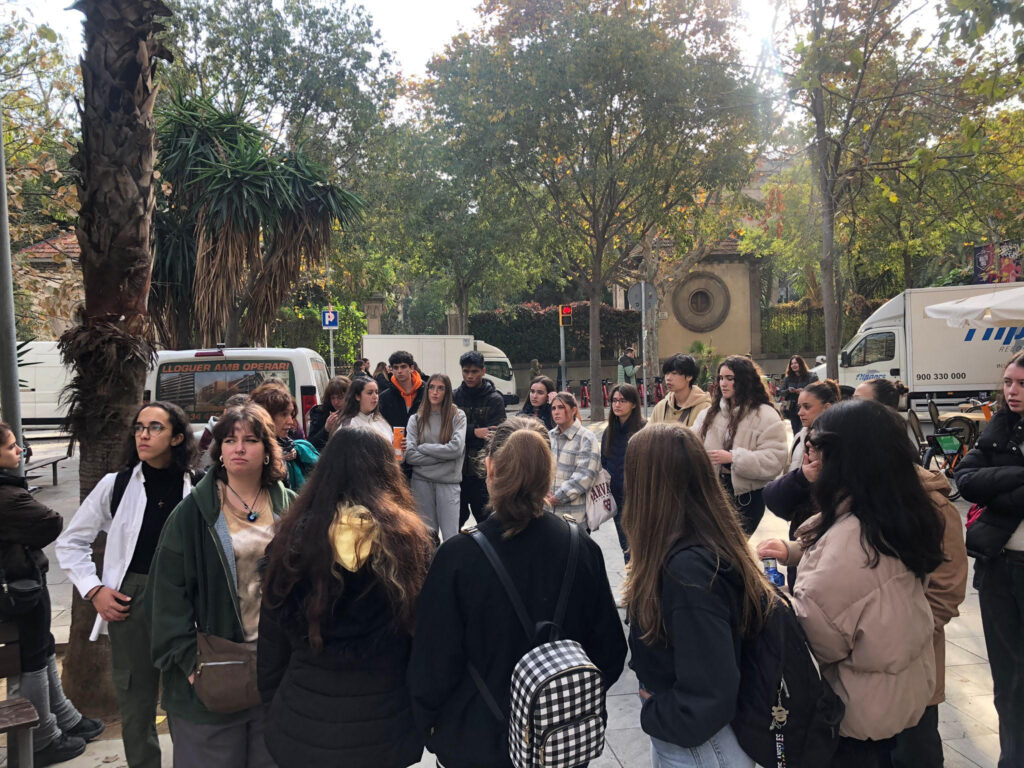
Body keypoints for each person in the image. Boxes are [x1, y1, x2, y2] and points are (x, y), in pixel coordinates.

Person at [408, 417, 627, 768]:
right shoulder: (581, 548)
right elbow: (610, 652)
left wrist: (436, 731)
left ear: (490, 469)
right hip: (557, 745)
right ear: (548, 474)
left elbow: (430, 666)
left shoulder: (457, 557)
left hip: (476, 742)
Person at [757, 400, 944, 767]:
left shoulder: (851, 544)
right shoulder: (898, 512)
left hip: (852, 715)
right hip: (890, 698)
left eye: (816, 449)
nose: (810, 460)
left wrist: (774, 599)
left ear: (843, 458)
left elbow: (815, 640)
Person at [258, 429, 433, 768]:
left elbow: (271, 650)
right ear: (388, 474)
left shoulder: (291, 543)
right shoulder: (411, 544)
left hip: (303, 719)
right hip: (385, 723)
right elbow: (425, 646)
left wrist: (276, 708)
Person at [149, 403, 295, 768]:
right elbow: (166, 597)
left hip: (275, 672)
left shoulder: (292, 509)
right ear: (219, 451)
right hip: (212, 676)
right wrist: (190, 664)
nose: (239, 448)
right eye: (230, 440)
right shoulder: (191, 515)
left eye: (250, 440)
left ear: (268, 450)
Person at [623, 423, 776, 768]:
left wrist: (656, 712)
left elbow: (711, 692)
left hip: (700, 747)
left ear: (648, 486)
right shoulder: (699, 543)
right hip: (696, 741)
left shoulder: (688, 571)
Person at [56, 402, 199, 768]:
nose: (143, 435)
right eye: (139, 427)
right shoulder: (116, 485)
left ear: (177, 438)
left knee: (187, 696)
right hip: (130, 599)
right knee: (136, 699)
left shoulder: (199, 486)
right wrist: (94, 590)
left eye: (155, 427)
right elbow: (71, 542)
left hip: (185, 600)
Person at [1, 423, 103, 766]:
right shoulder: (8, 496)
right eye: (12, 446)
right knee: (34, 657)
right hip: (18, 588)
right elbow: (50, 522)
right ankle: (43, 738)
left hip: (22, 583)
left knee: (43, 648)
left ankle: (62, 717)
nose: (20, 451)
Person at [955, 351, 1024, 768]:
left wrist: (998, 489)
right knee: (1009, 678)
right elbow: (965, 479)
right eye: (1009, 382)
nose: (1012, 391)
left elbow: (984, 485)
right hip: (999, 565)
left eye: (1022, 384)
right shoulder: (1000, 426)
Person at [694, 356, 787, 536]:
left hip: (747, 498)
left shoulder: (766, 415)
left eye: (730, 378)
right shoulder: (709, 414)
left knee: (735, 548)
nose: (723, 383)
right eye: (721, 378)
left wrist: (734, 458)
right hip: (713, 493)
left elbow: (775, 460)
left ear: (744, 380)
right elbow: (691, 441)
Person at [405, 374, 467, 542]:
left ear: (447, 392)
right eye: (431, 387)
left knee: (451, 538)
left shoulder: (457, 415)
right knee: (426, 538)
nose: (435, 392)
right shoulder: (416, 419)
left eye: (440, 388)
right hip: (421, 483)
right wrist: (444, 457)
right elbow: (410, 455)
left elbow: (455, 449)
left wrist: (424, 448)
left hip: (448, 483)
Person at [453, 350, 507, 526]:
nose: (470, 376)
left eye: (474, 371)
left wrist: (463, 434)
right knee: (453, 525)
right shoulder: (454, 397)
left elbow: (495, 436)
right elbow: (448, 432)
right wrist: (474, 432)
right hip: (456, 472)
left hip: (483, 475)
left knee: (488, 525)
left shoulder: (495, 399)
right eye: (466, 371)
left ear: (483, 371)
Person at [601, 383, 645, 563]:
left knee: (641, 547)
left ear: (633, 404)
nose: (617, 404)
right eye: (614, 400)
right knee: (626, 548)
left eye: (623, 400)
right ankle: (631, 578)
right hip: (617, 499)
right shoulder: (608, 432)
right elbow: (604, 463)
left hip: (639, 500)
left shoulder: (644, 430)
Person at [546, 392, 601, 524]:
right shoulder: (549, 436)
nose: (556, 412)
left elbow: (585, 475)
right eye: (553, 408)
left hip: (573, 515)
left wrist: (559, 496)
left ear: (574, 410)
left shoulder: (586, 438)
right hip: (547, 512)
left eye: (561, 407)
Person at [788, 379, 841, 471]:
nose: (800, 413)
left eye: (807, 407)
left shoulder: (840, 442)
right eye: (799, 407)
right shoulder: (799, 438)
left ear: (826, 408)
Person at [648, 353, 712, 427]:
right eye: (666, 373)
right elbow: (648, 433)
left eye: (674, 373)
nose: (668, 378)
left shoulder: (704, 408)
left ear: (689, 376)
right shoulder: (661, 407)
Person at [378, 351, 426, 430]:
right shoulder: (384, 397)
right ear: (392, 370)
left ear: (411, 368)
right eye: (396, 367)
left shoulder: (426, 392)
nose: (399, 371)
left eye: (403, 367)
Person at [338, 377, 394, 442]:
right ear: (357, 396)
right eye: (370, 393)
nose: (375, 396)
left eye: (376, 392)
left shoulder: (380, 420)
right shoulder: (349, 425)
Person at [306, 375, 350, 451]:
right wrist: (326, 429)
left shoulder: (355, 412)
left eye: (340, 398)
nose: (336, 402)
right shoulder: (320, 413)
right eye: (333, 398)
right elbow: (311, 445)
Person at [778, 355, 818, 434]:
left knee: (805, 431)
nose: (794, 365)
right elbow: (780, 392)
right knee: (796, 432)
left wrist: (804, 391)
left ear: (801, 364)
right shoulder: (788, 378)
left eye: (796, 363)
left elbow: (816, 390)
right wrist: (788, 391)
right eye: (792, 363)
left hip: (807, 408)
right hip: (793, 409)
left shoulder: (811, 376)